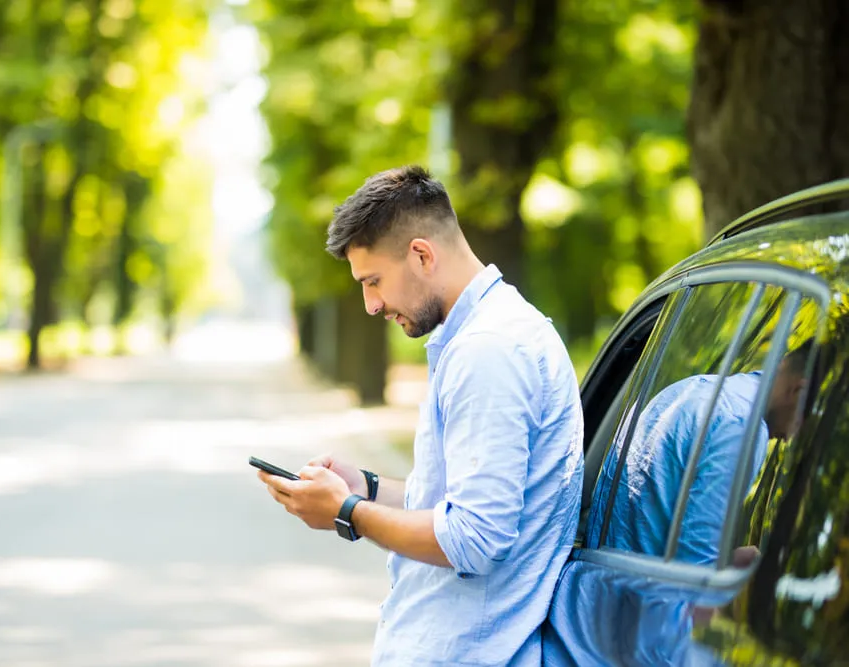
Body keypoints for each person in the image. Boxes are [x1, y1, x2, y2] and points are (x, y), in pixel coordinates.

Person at [256, 165, 585, 666]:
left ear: (421, 255)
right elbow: (453, 505)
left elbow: (474, 538)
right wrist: (362, 486)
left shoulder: (488, 351)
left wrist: (347, 513)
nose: (370, 305)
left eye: (373, 281)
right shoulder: (486, 336)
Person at [544, 341, 815, 666]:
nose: (797, 436)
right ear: (798, 393)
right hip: (634, 642)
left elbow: (648, 529)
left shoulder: (692, 391)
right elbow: (694, 577)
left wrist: (739, 563)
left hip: (584, 619)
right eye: (810, 422)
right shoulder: (741, 429)